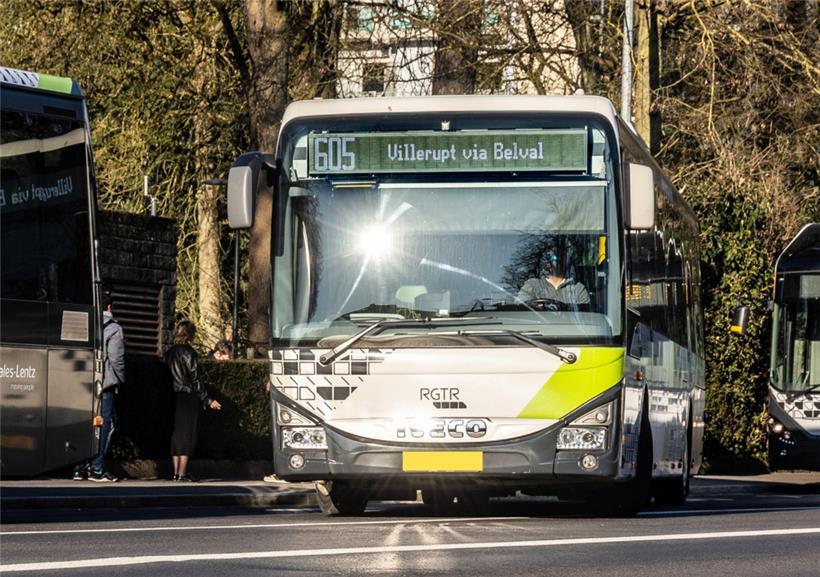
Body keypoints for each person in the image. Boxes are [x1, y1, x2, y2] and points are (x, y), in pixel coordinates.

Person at [74, 291, 125, 482]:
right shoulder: (114, 328)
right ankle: (96, 468)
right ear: (110, 307)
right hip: (104, 384)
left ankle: (79, 467)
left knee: (84, 424)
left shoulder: (84, 324)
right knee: (106, 425)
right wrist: (120, 379)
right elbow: (116, 359)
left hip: (82, 382)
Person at [165, 320, 222, 482]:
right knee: (187, 434)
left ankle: (176, 472)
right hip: (188, 396)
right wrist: (207, 399)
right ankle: (182, 473)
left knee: (176, 435)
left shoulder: (170, 352)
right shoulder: (189, 353)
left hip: (173, 395)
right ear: (190, 335)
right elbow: (196, 379)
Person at [517, 244, 590, 308]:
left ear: (567, 261)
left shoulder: (578, 289)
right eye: (552, 258)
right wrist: (536, 307)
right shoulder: (531, 286)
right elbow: (519, 309)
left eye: (561, 258)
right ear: (546, 262)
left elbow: (585, 315)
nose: (557, 262)